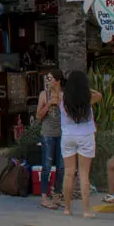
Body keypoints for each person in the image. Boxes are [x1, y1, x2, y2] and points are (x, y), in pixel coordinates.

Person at [59, 70, 102, 218]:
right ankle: (86, 210)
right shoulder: (88, 98)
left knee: (69, 173)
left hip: (68, 136)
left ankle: (67, 208)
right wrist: (85, 89)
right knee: (84, 174)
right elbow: (100, 95)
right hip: (85, 136)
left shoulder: (62, 98)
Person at [36, 69, 65, 209]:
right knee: (46, 166)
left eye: (50, 78)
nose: (47, 81)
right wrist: (48, 104)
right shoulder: (44, 95)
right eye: (46, 78)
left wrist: (59, 102)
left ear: (58, 81)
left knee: (61, 166)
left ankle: (57, 193)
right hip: (47, 133)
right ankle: (44, 196)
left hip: (62, 134)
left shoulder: (64, 95)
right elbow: (38, 116)